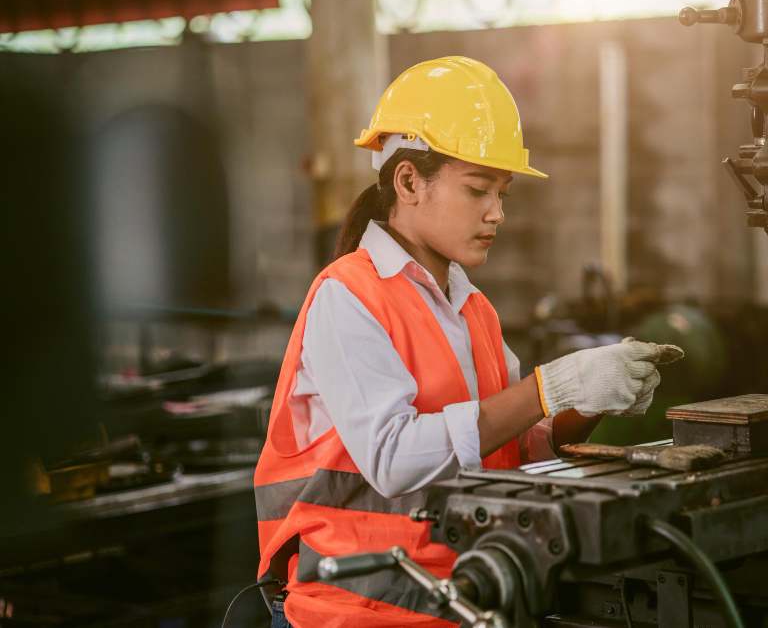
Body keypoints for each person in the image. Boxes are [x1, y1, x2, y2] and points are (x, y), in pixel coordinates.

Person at [254, 56, 680, 627]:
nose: (497, 213)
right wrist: (552, 385)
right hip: (356, 611)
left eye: (503, 193)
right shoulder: (347, 298)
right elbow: (395, 459)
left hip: (462, 602)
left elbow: (516, 448)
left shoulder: (472, 307)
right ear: (408, 182)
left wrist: (588, 399)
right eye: (479, 189)